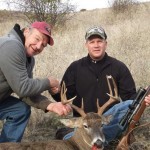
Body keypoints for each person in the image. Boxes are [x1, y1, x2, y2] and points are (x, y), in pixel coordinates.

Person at [52, 26, 150, 144]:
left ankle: (92, 141)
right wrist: (55, 92)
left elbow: (130, 98)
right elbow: (64, 98)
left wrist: (144, 98)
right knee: (66, 135)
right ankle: (101, 140)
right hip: (84, 121)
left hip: (107, 119)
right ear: (86, 45)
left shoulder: (118, 67)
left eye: (99, 41)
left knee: (129, 105)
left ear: (105, 44)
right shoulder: (75, 67)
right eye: (92, 42)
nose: (96, 45)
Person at [0, 21, 72, 143]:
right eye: (37, 39)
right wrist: (49, 82)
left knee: (20, 110)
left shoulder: (28, 59)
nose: (39, 46)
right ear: (27, 31)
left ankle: (7, 147)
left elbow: (26, 93)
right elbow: (22, 87)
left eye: (43, 45)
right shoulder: (12, 45)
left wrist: (51, 105)